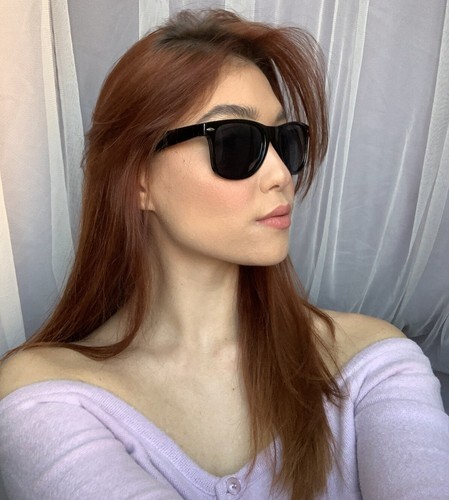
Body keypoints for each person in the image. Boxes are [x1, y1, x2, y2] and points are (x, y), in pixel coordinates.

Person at [0, 8, 448, 500]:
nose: (281, 175)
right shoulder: (47, 391)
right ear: (138, 179)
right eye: (236, 142)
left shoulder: (369, 363)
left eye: (287, 142)